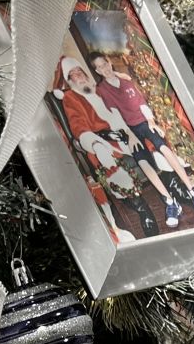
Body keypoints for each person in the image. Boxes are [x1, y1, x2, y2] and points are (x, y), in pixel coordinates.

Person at [90, 52, 194, 229]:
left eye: (105, 63)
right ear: (97, 70)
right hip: (129, 129)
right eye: (100, 67)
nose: (104, 68)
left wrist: (151, 121)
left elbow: (141, 103)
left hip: (145, 122)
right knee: (142, 160)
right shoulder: (102, 90)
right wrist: (128, 134)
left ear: (109, 62)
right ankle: (170, 202)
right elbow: (115, 114)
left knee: (163, 148)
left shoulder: (126, 80)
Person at [54, 57, 171, 241]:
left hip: (123, 132)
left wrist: (128, 131)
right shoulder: (71, 97)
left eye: (80, 71)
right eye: (73, 74)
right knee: (109, 159)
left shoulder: (98, 90)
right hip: (102, 141)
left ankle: (172, 191)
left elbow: (119, 107)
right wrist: (96, 141)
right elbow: (78, 128)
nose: (79, 76)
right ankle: (143, 209)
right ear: (69, 81)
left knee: (149, 140)